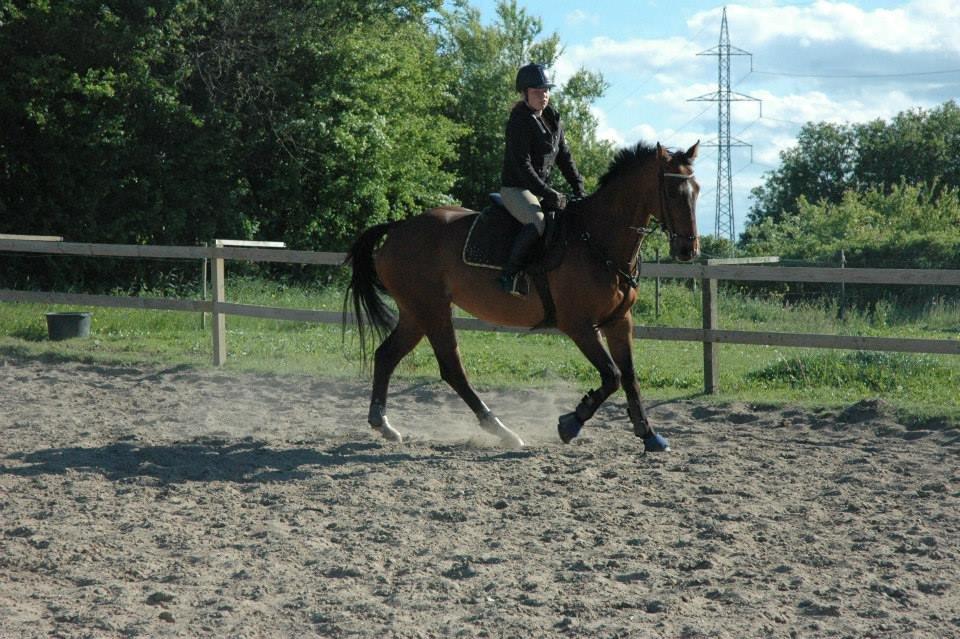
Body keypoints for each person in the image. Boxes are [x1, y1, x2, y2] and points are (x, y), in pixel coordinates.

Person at [497, 62, 586, 295]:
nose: (543, 95)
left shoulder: (552, 118)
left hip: (539, 189)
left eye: (546, 90)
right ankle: (510, 275)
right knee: (537, 222)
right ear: (525, 94)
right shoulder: (519, 120)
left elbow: (564, 157)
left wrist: (578, 187)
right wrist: (548, 192)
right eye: (537, 91)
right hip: (516, 188)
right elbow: (523, 166)